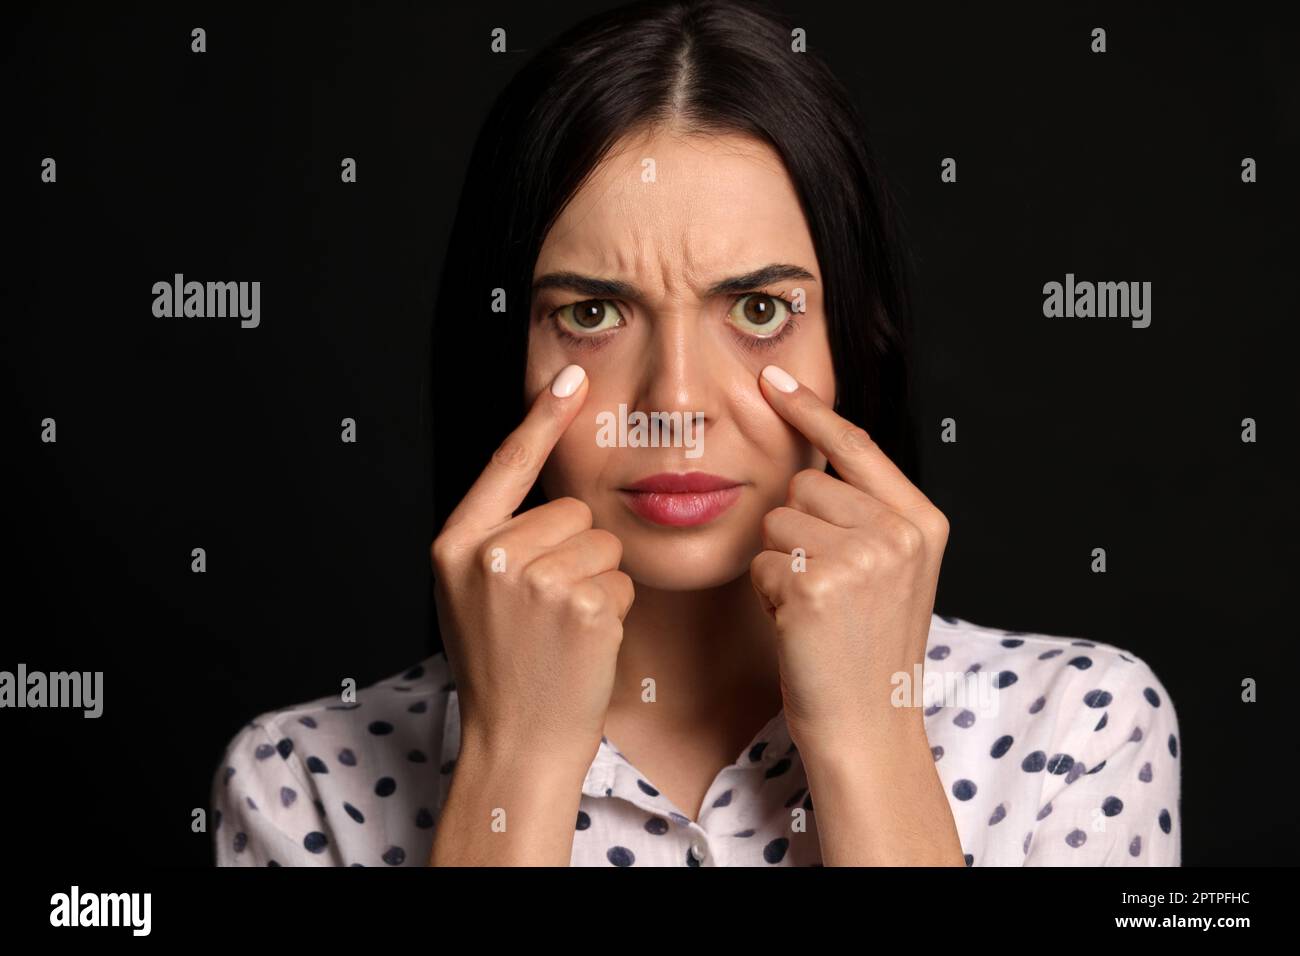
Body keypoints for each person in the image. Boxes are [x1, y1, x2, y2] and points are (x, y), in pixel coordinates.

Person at [212, 0, 1180, 866]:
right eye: (592, 313)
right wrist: (513, 762)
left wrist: (871, 740)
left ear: (850, 345)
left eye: (759, 309)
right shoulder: (298, 783)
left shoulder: (1078, 728)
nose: (674, 400)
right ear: (508, 353)